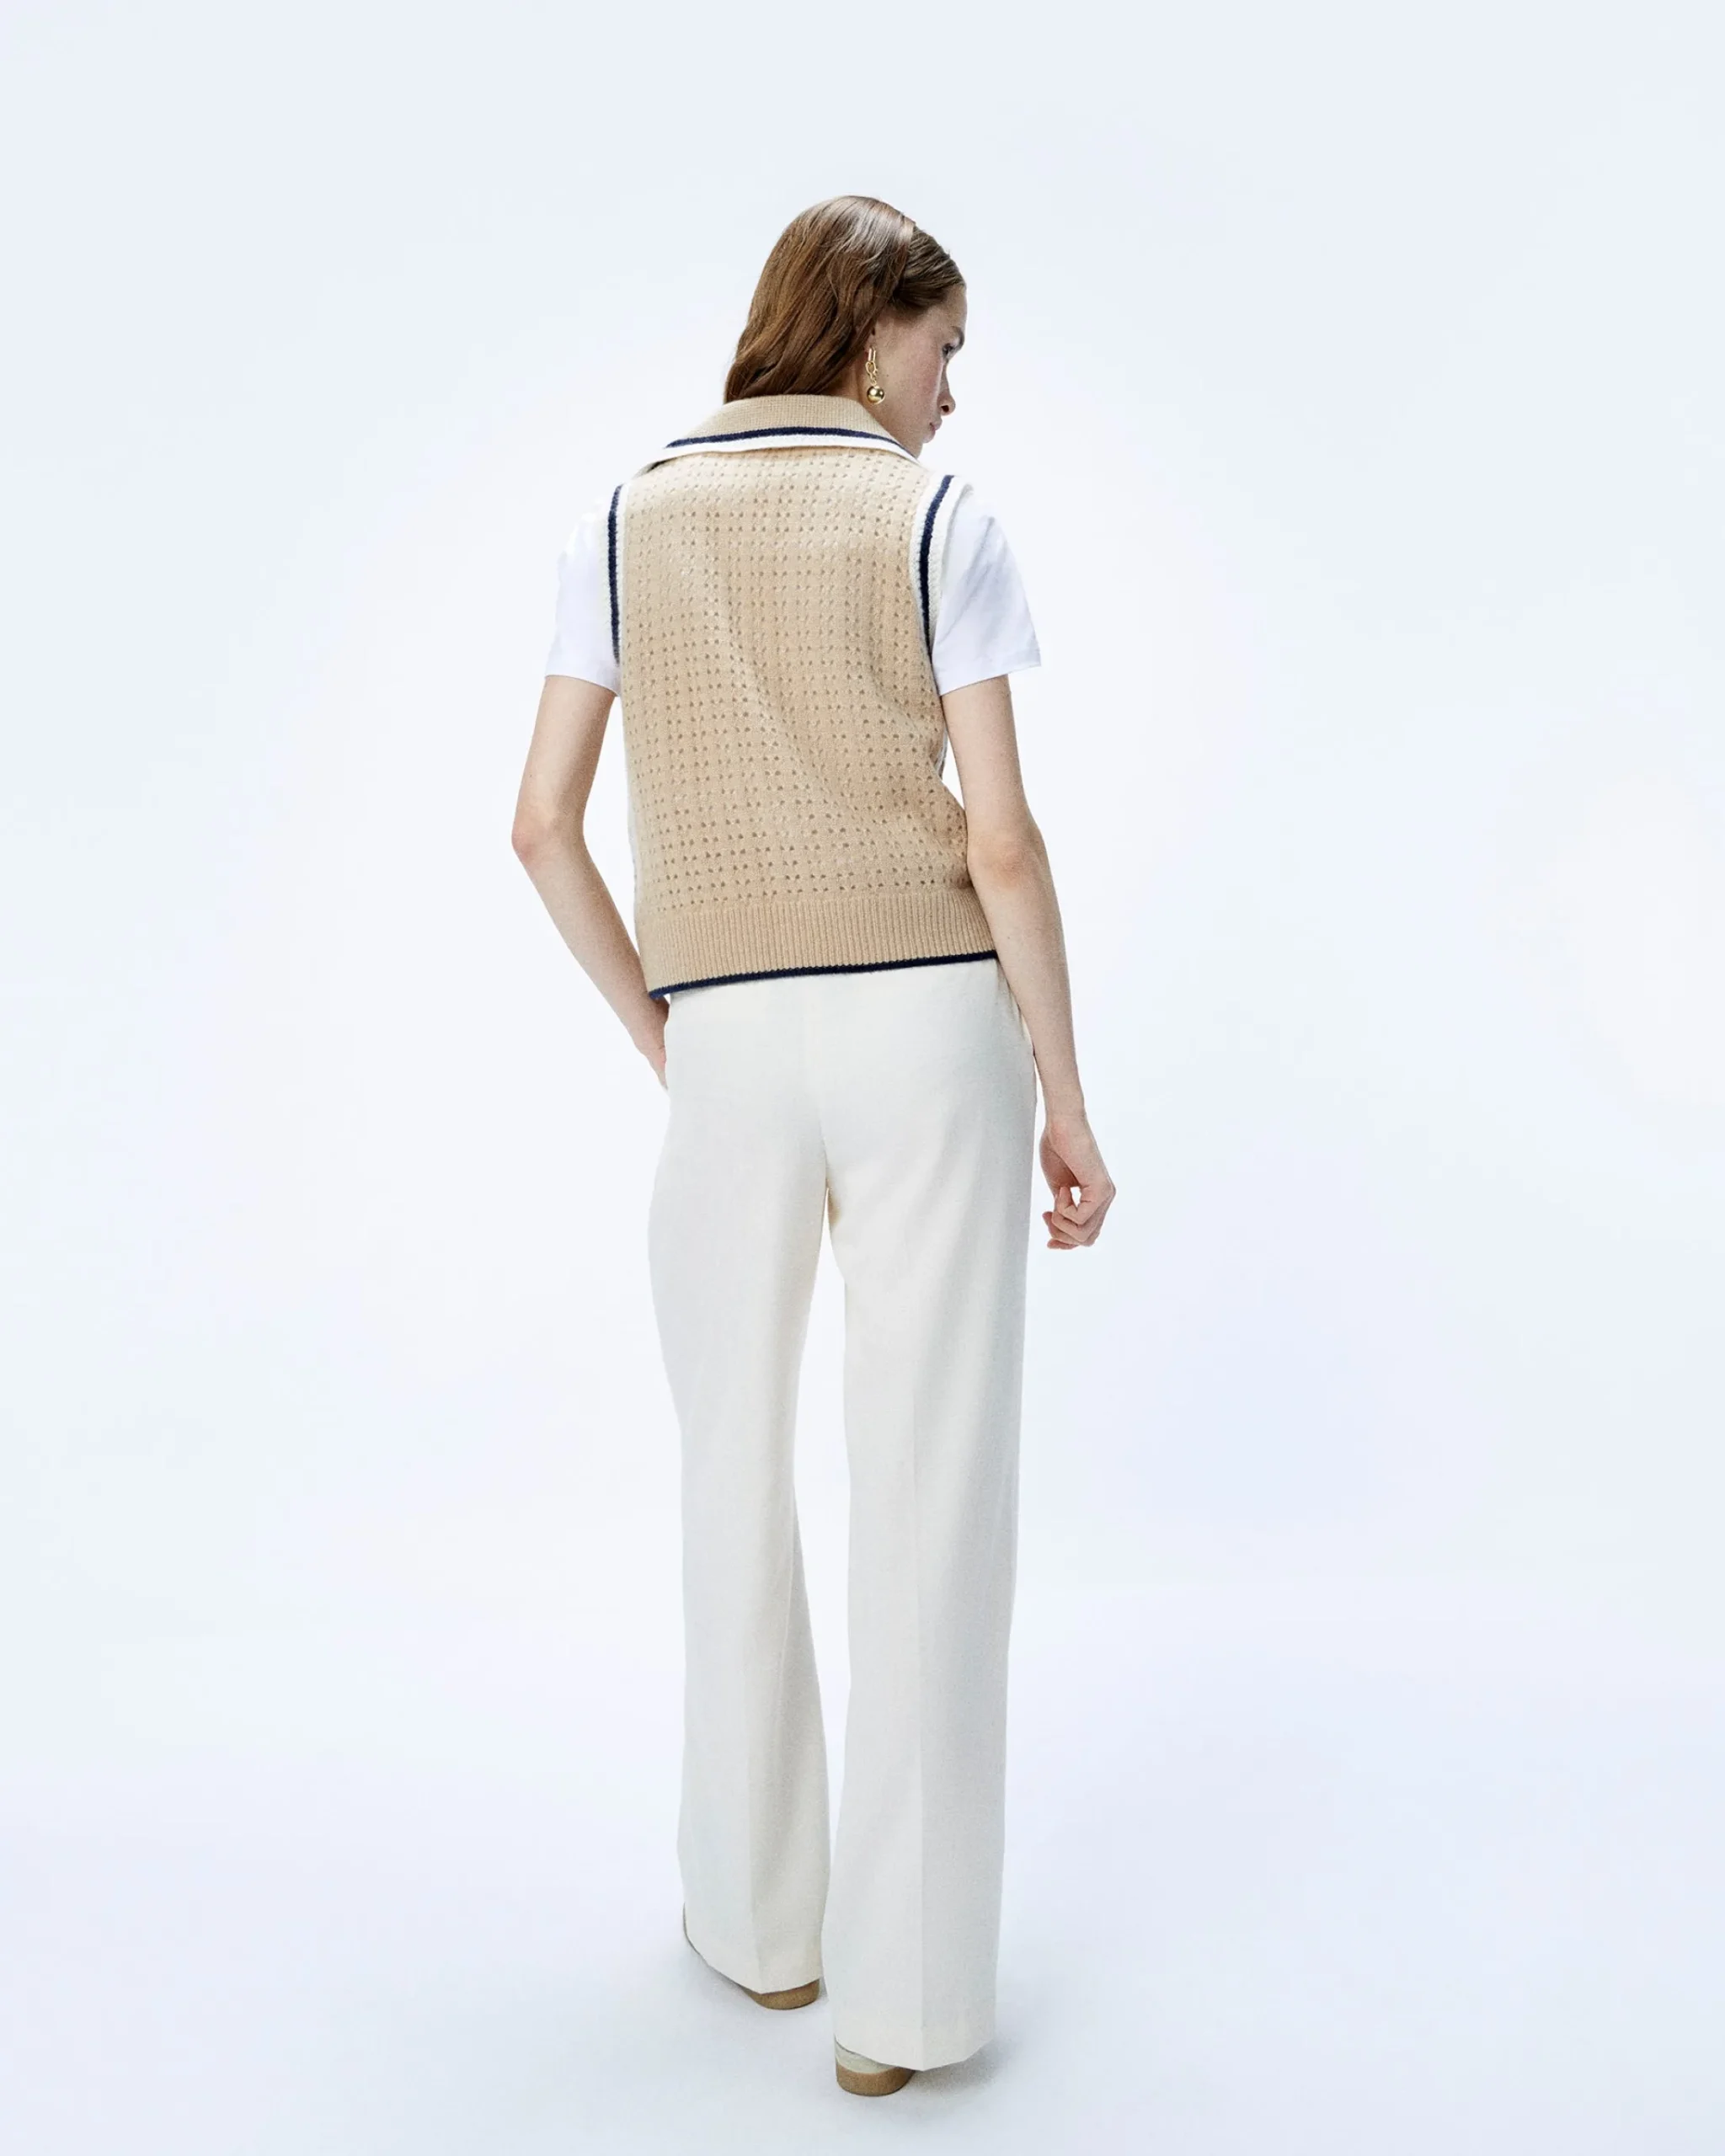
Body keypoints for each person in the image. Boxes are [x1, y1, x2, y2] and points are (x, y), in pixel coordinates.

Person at [511, 194, 1114, 2099]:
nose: (952, 394)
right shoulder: (936, 521)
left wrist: (658, 1023)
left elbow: (539, 824)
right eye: (944, 350)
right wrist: (1068, 1095)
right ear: (868, 330)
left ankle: (760, 1926)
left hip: (729, 1039)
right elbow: (1000, 839)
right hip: (930, 1023)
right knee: (929, 1490)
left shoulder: (624, 518)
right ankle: (903, 2010)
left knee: (730, 1467)